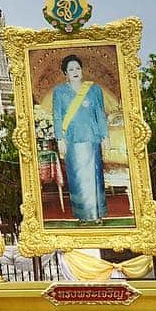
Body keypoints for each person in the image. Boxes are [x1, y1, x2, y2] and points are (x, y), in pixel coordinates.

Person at [52, 54, 109, 221]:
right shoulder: (60, 92)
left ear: (82, 70)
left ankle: (97, 214)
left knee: (94, 176)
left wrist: (105, 136)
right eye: (71, 69)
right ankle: (83, 215)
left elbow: (100, 113)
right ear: (65, 73)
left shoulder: (94, 90)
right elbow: (57, 116)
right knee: (77, 178)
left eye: (77, 68)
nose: (75, 71)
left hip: (93, 138)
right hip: (72, 140)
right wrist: (59, 138)